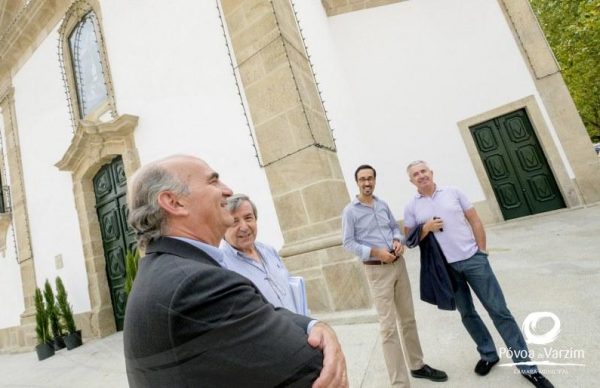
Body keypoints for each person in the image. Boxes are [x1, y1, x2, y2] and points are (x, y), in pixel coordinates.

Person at [123, 154, 347, 388]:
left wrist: (314, 326)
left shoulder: (169, 269)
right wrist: (325, 343)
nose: (227, 190)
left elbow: (263, 311)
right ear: (174, 202)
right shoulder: (197, 282)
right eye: (213, 182)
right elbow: (316, 371)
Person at [403, 160, 553, 388]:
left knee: (500, 311)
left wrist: (481, 251)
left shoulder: (453, 192)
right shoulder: (412, 206)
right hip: (446, 269)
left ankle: (528, 367)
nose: (421, 175)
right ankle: (488, 354)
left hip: (473, 260)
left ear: (431, 172)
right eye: (415, 174)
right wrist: (426, 228)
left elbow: (474, 219)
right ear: (411, 180)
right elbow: (409, 238)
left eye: (423, 171)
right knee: (467, 314)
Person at [341, 164, 447, 387]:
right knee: (388, 327)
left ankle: (417, 365)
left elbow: (394, 228)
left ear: (375, 180)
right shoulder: (350, 211)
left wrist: (398, 241)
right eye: (362, 179)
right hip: (377, 270)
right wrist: (375, 251)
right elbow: (348, 242)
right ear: (357, 182)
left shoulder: (382, 204)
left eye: (370, 178)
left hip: (398, 266)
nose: (367, 182)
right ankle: (399, 382)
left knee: (408, 318)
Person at [220, 193, 302, 313]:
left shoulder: (269, 251)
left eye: (248, 218)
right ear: (222, 228)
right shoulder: (221, 265)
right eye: (234, 222)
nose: (244, 227)